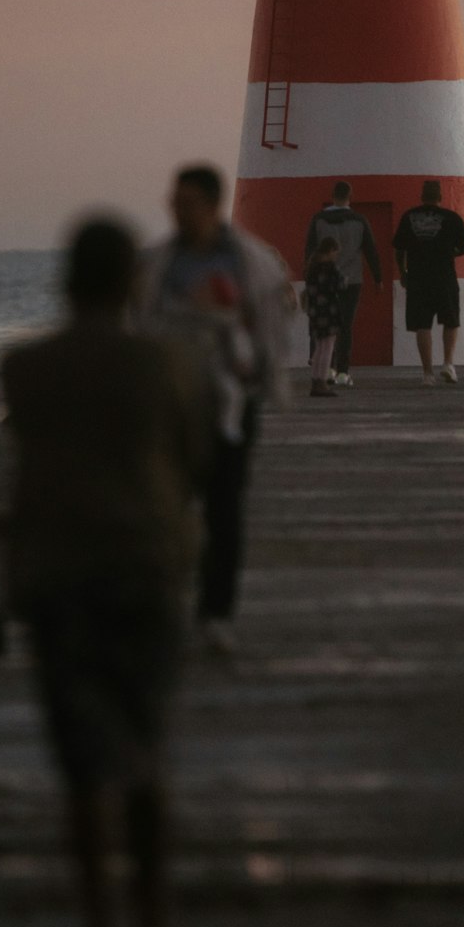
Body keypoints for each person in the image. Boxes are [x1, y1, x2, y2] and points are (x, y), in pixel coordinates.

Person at [1, 216, 204, 927]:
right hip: (146, 567)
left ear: (66, 279)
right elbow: (194, 459)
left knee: (82, 765)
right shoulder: (171, 364)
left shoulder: (24, 366)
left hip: (57, 573)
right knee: (145, 748)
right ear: (133, 282)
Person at [137, 164, 292, 655]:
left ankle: (216, 614)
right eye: (173, 202)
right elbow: (140, 322)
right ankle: (164, 608)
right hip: (169, 403)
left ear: (211, 204)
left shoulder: (251, 261)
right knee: (165, 510)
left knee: (225, 511)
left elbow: (272, 322)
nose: (175, 211)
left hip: (230, 400)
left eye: (185, 203)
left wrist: (269, 380)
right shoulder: (156, 262)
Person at [392, 180, 464, 386]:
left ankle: (428, 373)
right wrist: (452, 252)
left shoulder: (408, 217)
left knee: (422, 325)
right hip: (445, 277)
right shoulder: (452, 218)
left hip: (418, 278)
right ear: (440, 196)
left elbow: (399, 249)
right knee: (451, 321)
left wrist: (403, 272)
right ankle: (448, 363)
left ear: (422, 195)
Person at [303, 181, 382, 387]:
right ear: (350, 196)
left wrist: (309, 276)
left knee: (322, 323)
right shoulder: (359, 221)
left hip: (322, 280)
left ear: (332, 195)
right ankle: (343, 373)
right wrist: (378, 278)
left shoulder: (319, 219)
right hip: (352, 281)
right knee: (345, 326)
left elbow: (310, 250)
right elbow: (371, 251)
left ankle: (325, 369)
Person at [303, 236, 344, 397]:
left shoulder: (312, 267)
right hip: (329, 311)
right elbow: (339, 285)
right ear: (331, 250)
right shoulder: (329, 267)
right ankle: (322, 381)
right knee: (328, 347)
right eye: (336, 252)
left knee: (319, 347)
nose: (336, 256)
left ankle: (315, 380)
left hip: (315, 312)